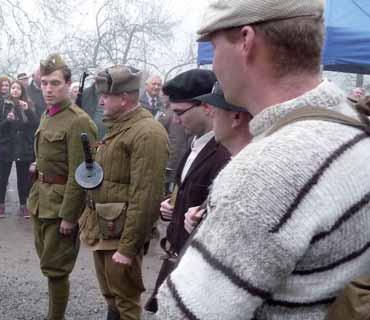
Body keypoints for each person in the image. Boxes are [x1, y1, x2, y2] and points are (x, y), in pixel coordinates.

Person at [156, 1, 370, 318]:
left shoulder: (269, 170)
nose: (213, 64)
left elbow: (185, 313)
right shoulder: (352, 131)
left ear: (246, 40)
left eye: (214, 48)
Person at [78, 65, 168, 320]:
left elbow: (147, 197)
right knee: (113, 298)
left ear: (125, 98)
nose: (101, 100)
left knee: (126, 302)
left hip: (121, 235)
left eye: (106, 96)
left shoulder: (148, 133)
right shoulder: (119, 127)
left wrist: (128, 248)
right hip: (106, 229)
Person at [145, 69, 230, 312]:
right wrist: (170, 208)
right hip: (177, 258)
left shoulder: (223, 153)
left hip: (197, 269)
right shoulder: (194, 145)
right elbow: (186, 195)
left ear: (206, 106)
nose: (175, 120)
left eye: (180, 112)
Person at [27, 53, 98, 320]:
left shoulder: (78, 121)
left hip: (60, 207)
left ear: (68, 84)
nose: (48, 89)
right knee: (48, 264)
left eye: (55, 83)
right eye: (44, 82)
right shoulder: (48, 114)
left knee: (57, 270)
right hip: (41, 200)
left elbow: (83, 174)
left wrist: (70, 215)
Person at [182, 81, 253, 233]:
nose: (209, 113)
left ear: (236, 116)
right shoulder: (240, 163)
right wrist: (204, 215)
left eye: (215, 107)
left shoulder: (251, 173)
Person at [0, 80, 38, 218]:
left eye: (18, 88)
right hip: (6, 146)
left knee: (23, 179)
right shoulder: (4, 104)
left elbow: (36, 124)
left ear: (22, 91)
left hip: (23, 147)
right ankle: (1, 205)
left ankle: (23, 206)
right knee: (2, 179)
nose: (15, 90)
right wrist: (7, 120)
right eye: (13, 88)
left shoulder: (28, 104)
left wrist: (27, 110)